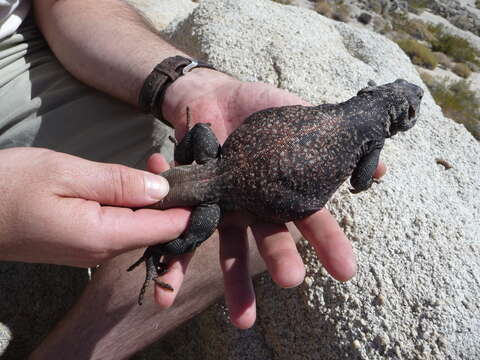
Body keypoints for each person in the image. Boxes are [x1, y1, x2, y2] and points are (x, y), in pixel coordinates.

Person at [0, 0, 386, 358]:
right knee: (201, 231)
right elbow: (361, 180)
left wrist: (190, 83)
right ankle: (156, 251)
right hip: (213, 180)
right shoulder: (373, 137)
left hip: (24, 48)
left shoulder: (348, 111)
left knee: (275, 226)